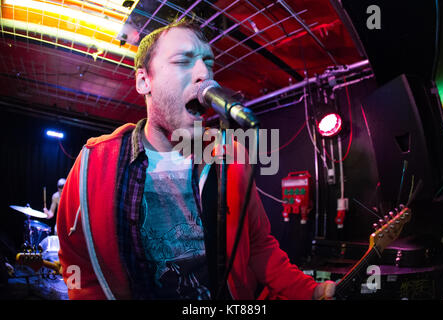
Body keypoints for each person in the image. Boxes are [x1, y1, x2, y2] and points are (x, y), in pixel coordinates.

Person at [57, 19, 335, 300]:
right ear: (144, 81)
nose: (206, 74)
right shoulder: (94, 162)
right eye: (183, 61)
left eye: (208, 63)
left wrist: (310, 292)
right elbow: (76, 258)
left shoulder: (232, 155)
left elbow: (259, 246)